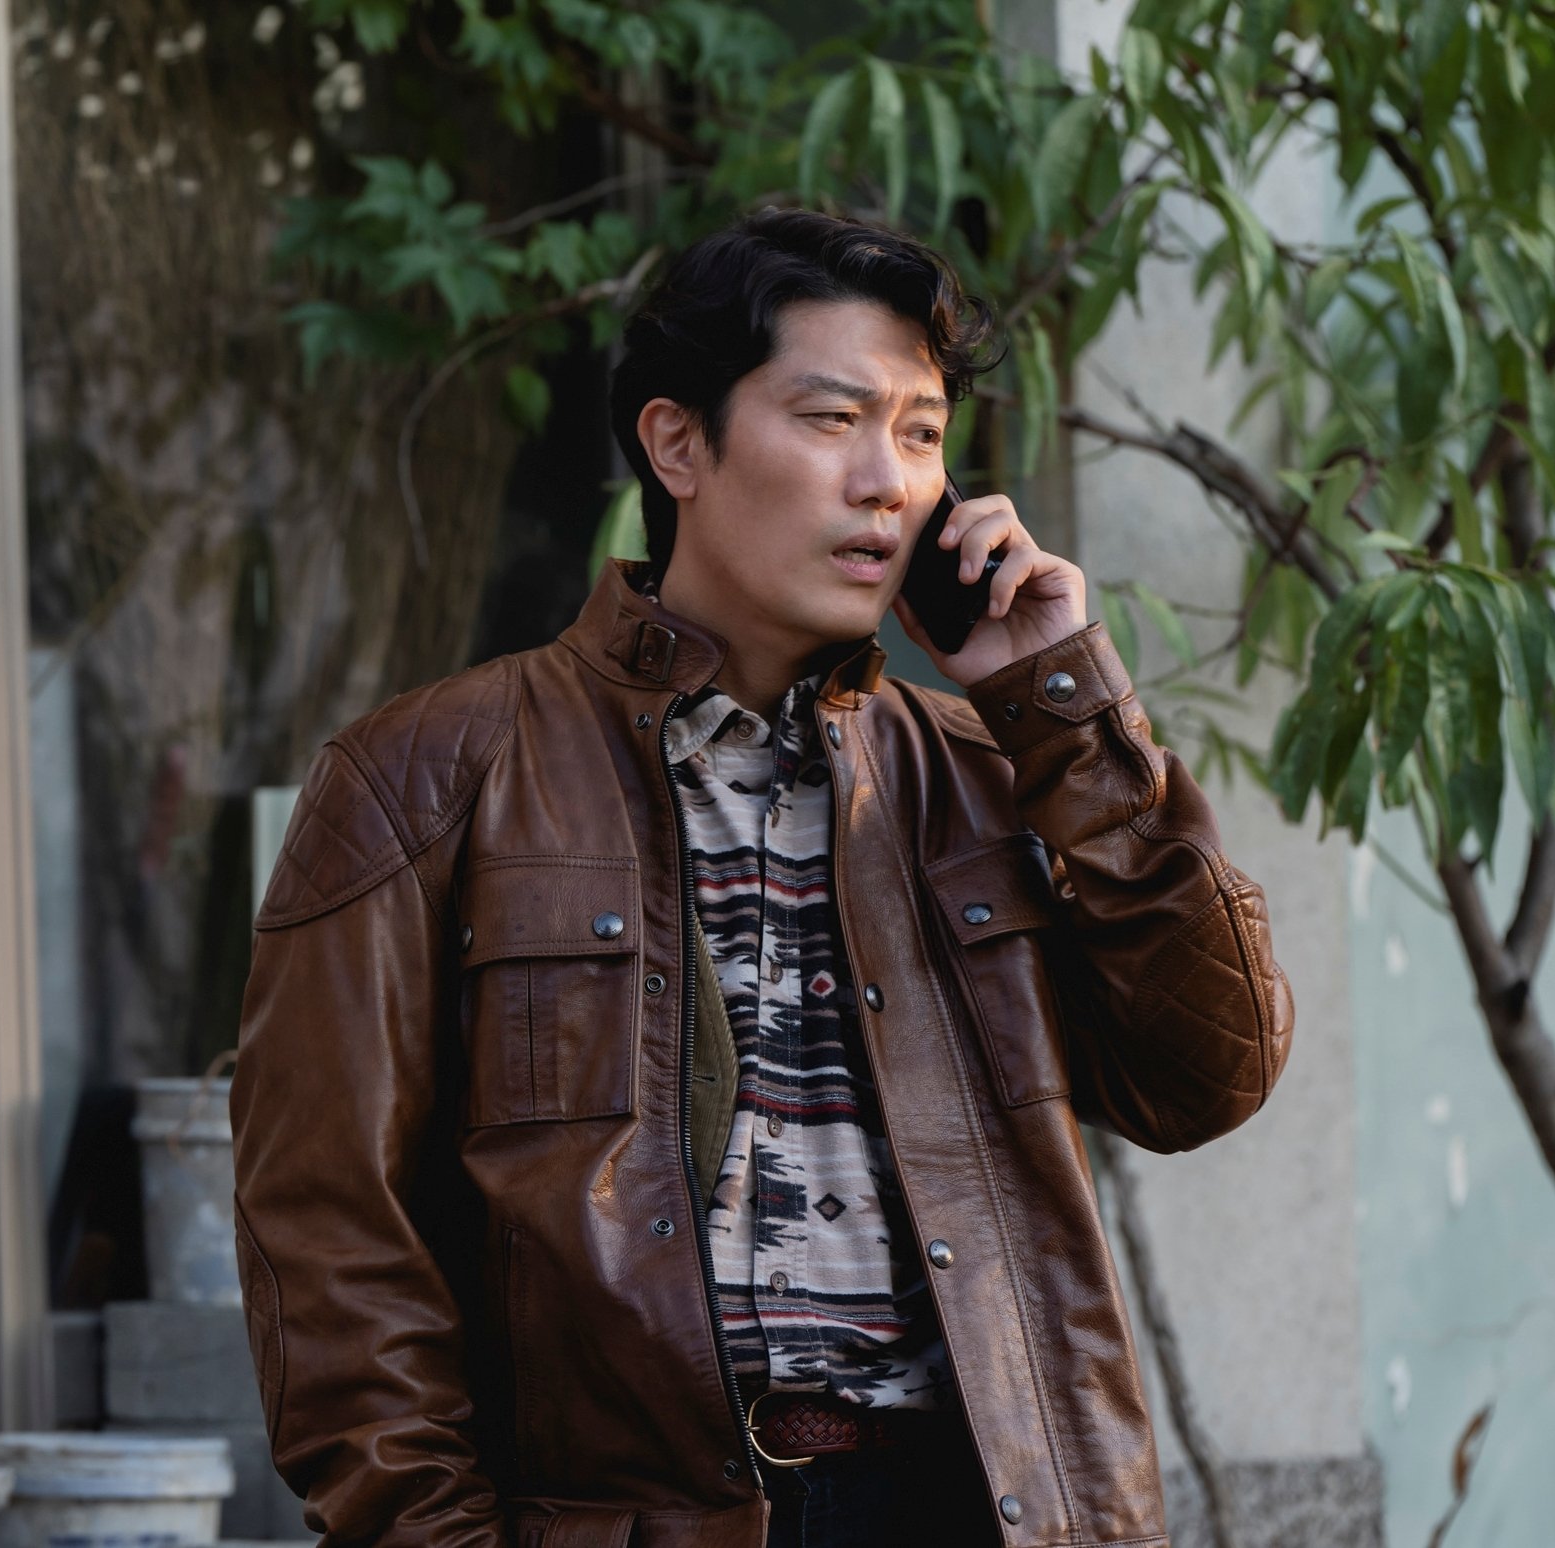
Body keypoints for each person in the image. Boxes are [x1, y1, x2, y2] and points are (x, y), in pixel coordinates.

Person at [228, 208, 1295, 1548]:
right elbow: (330, 1248)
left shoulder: (993, 768)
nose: (889, 481)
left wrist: (1068, 716)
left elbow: (1206, 1078)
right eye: (833, 418)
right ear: (678, 444)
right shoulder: (426, 776)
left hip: (980, 1512)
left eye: (922, 432)